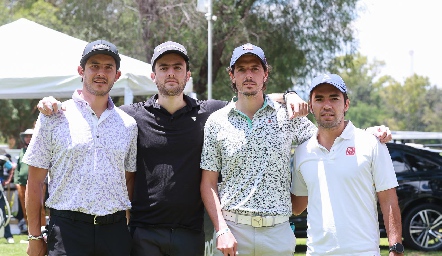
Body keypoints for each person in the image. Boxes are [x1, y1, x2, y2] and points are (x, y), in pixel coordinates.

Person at [38, 41, 390, 256]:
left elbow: (321, 134)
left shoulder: (209, 113)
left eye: (177, 67)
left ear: (188, 74)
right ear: (153, 75)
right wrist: (56, 103)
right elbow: (107, 131)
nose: (171, 73)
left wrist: (364, 132)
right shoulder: (130, 117)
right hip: (144, 233)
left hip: (196, 234)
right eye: (164, 68)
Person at [23, 39, 138, 256]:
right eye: (94, 65)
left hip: (115, 232)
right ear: (81, 71)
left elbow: (128, 179)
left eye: (108, 67)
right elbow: (35, 181)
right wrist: (34, 236)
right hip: (67, 231)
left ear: (117, 75)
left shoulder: (128, 125)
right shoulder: (53, 117)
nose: (101, 73)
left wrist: (127, 227)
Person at [291, 74, 403, 255]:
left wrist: (395, 248)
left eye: (334, 98)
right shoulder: (303, 151)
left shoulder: (371, 143)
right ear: (311, 106)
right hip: (317, 252)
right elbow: (297, 206)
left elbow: (388, 199)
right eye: (319, 99)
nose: (327, 105)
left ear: (346, 104)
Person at [0, 154, 14, 244]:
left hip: (0, 190)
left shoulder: (2, 159)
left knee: (3, 213)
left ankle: (8, 235)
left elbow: (11, 167)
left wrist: (8, 180)